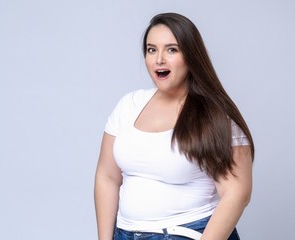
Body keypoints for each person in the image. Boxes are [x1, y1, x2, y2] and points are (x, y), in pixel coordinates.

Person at [94, 12, 254, 240]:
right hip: (125, 234)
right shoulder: (129, 105)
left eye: (172, 49)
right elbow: (107, 176)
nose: (159, 59)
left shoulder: (215, 115)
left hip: (187, 234)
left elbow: (237, 194)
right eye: (151, 49)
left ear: (191, 56)